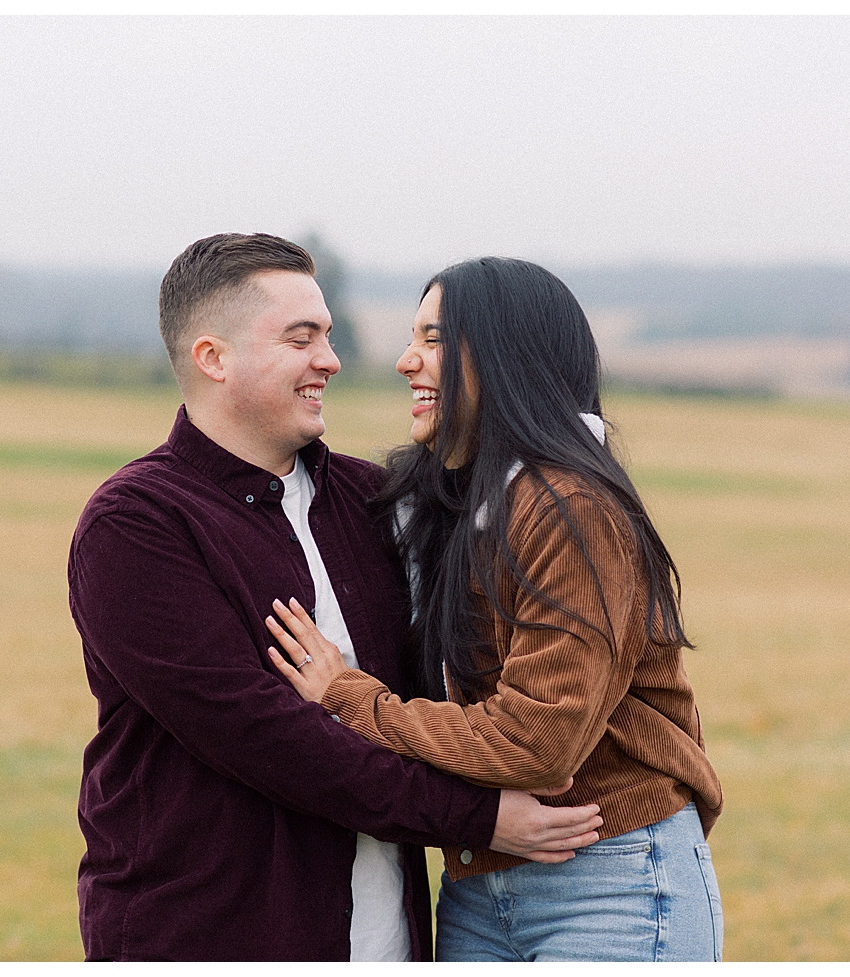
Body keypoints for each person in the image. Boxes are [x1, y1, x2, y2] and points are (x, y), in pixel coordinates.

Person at [67, 235, 603, 961]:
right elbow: (265, 738)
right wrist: (476, 815)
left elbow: (457, 680)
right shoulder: (137, 525)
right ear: (213, 358)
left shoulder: (374, 499)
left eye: (326, 333)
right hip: (206, 937)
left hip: (390, 942)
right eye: (302, 338)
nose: (331, 358)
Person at [265, 257, 726, 962]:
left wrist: (350, 697)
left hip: (610, 886)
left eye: (436, 337)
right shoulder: (457, 499)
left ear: (510, 357)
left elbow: (538, 744)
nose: (405, 359)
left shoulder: (571, 507)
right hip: (479, 887)